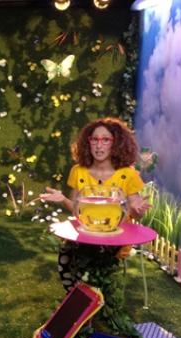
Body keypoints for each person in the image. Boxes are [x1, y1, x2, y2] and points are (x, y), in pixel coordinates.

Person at [39, 117, 152, 292]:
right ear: (88, 143)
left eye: (105, 140)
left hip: (115, 237)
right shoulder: (78, 171)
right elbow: (77, 210)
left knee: (88, 253)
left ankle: (92, 296)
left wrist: (137, 210)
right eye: (94, 139)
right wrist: (62, 199)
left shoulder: (127, 174)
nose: (99, 145)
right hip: (87, 231)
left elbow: (137, 214)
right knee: (66, 252)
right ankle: (77, 296)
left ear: (116, 143)